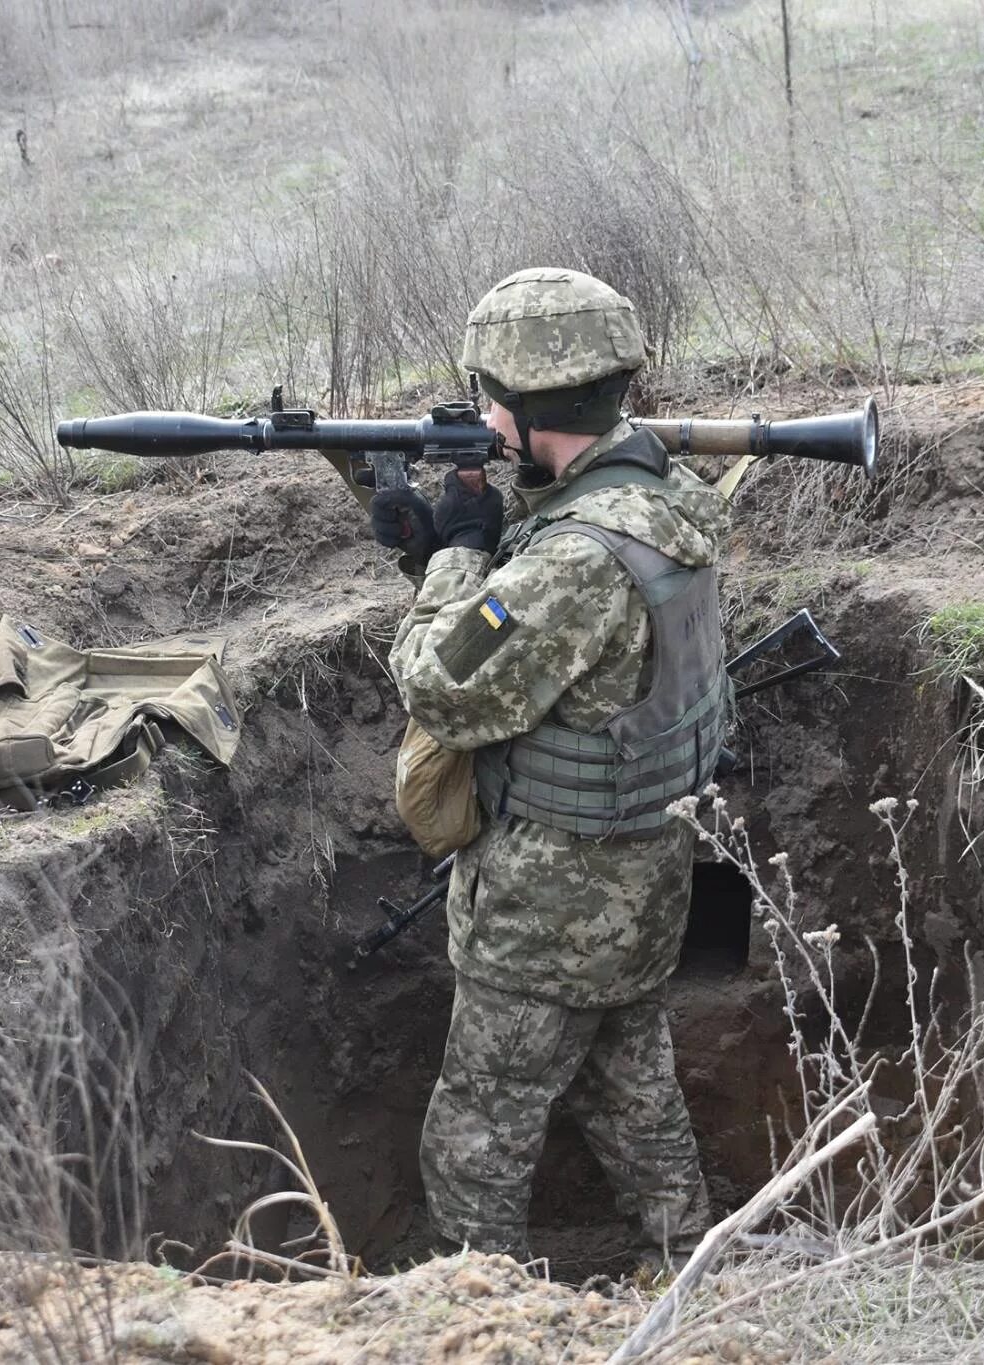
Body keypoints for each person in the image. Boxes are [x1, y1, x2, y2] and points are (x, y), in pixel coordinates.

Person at [370, 267, 730, 1268]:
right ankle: (689, 1262)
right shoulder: (665, 495)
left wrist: (456, 552)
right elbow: (558, 648)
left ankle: (476, 1313)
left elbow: (441, 684)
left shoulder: (572, 559)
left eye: (492, 396)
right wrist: (447, 550)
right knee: (630, 1082)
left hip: (547, 907)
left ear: (528, 404)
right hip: (644, 873)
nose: (483, 412)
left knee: (478, 1129)